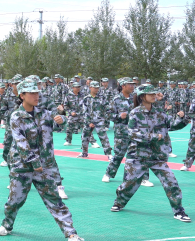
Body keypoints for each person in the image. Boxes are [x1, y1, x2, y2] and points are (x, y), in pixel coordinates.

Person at [0, 80, 86, 241]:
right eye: (31, 93)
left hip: (44, 167)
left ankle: (71, 235)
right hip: (22, 165)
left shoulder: (44, 114)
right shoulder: (16, 116)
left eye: (37, 93)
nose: (36, 96)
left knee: (54, 200)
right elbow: (21, 143)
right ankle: (7, 224)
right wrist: (34, 162)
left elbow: (59, 124)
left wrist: (62, 120)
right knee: (15, 200)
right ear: (22, 95)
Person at [111, 84, 191, 222]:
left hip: (157, 156)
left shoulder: (160, 112)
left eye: (155, 93)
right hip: (138, 156)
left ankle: (179, 211)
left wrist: (183, 119)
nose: (154, 96)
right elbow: (132, 133)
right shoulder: (135, 113)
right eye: (151, 94)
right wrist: (153, 136)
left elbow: (171, 125)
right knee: (129, 185)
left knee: (171, 183)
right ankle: (119, 202)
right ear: (142, 97)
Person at [103, 78, 136, 183]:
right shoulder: (116, 99)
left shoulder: (136, 99)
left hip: (136, 131)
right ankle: (108, 174)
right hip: (121, 132)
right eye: (129, 84)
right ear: (123, 86)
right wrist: (118, 116)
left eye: (133, 84)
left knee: (138, 155)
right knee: (118, 155)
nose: (132, 86)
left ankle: (143, 178)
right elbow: (108, 114)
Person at [77, 81, 112, 159]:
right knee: (84, 137)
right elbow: (84, 111)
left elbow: (107, 109)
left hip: (99, 120)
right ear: (90, 88)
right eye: (95, 88)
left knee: (103, 137)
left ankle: (109, 154)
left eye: (97, 88)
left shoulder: (102, 97)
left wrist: (105, 120)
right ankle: (84, 153)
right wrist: (89, 122)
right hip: (89, 121)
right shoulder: (86, 98)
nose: (96, 89)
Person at [0, 75, 22, 167]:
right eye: (16, 83)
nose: (17, 85)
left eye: (19, 83)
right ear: (12, 84)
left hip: (24, 124)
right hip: (10, 123)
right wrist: (9, 115)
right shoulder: (8, 95)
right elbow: (3, 109)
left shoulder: (25, 94)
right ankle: (6, 159)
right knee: (8, 142)